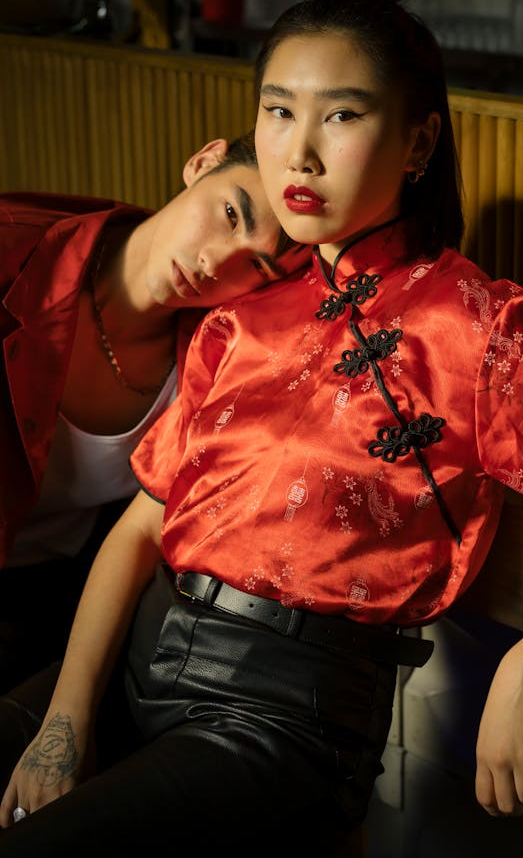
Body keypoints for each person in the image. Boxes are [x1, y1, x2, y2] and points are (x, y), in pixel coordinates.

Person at [0, 0, 523, 858]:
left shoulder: (474, 323)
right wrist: (65, 723)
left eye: (341, 115)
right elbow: (146, 524)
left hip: (280, 720)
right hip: (134, 661)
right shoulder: (244, 309)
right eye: (279, 110)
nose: (299, 153)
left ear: (419, 144)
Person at [0, 133, 305, 692]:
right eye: (231, 213)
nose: (218, 262)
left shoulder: (211, 358)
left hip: (54, 605)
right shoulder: (14, 248)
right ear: (203, 163)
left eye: (256, 267)